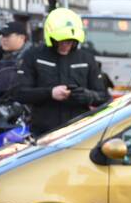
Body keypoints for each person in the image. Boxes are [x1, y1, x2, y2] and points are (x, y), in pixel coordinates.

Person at [12, 8, 109, 137]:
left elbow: (104, 96)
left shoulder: (86, 59)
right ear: (50, 37)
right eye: (60, 41)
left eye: (70, 41)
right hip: (44, 132)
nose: (65, 45)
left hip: (79, 131)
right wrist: (50, 93)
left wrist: (87, 96)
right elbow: (19, 93)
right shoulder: (33, 56)